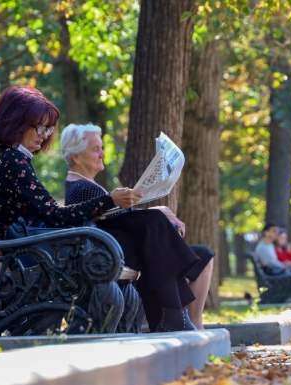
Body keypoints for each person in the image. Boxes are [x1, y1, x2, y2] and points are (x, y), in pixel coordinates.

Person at [60, 123, 214, 331]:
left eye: (102, 147)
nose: (102, 153)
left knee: (192, 249)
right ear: (76, 157)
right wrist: (157, 212)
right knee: (156, 225)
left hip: (117, 249)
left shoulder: (87, 186)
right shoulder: (80, 188)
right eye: (95, 149)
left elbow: (117, 216)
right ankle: (173, 316)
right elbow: (118, 220)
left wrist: (156, 210)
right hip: (107, 254)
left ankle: (183, 319)